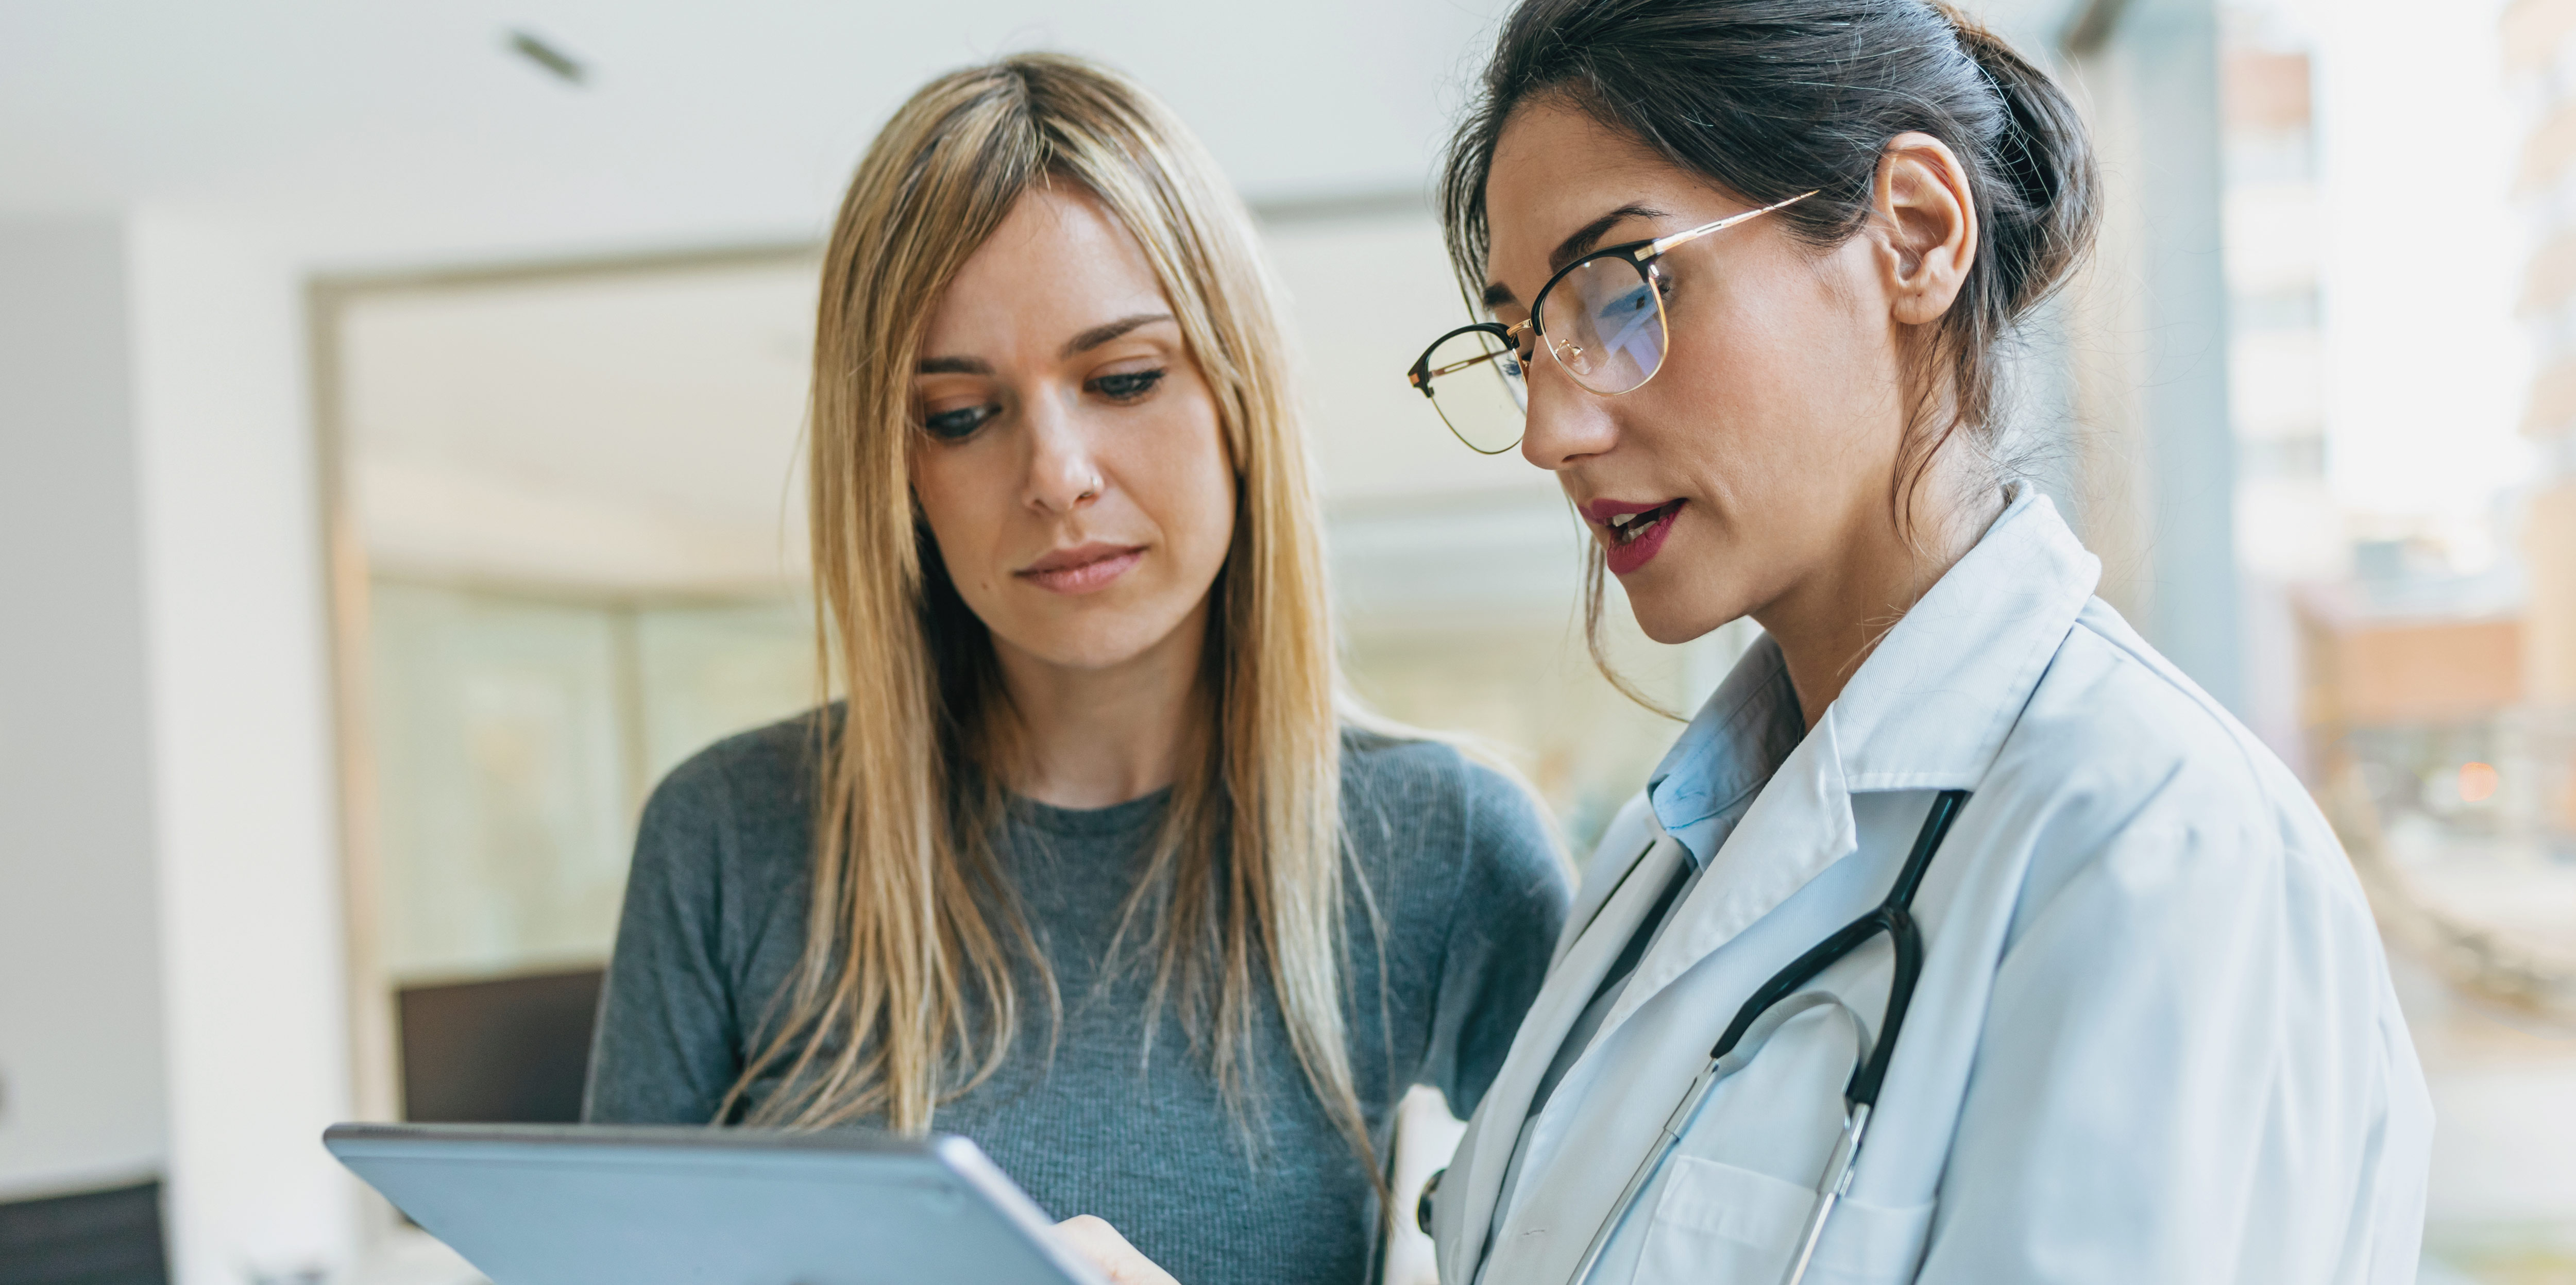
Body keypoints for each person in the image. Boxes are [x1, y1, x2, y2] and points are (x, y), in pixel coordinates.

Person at [1058, 3, 2433, 1284]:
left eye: (1621, 292)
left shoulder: (2155, 853)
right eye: (1524, 338)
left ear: (1913, 232)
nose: (1552, 427)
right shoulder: (1666, 862)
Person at [581, 54, 1570, 1285]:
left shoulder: (1443, 844)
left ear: (1237, 393)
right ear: (897, 471)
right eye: (958, 413)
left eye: (1123, 379)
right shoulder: (730, 836)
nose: (1056, 473)